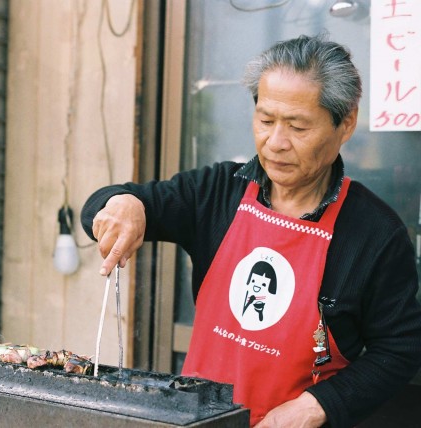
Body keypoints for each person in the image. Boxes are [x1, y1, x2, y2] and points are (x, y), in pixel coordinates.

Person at [81, 34, 421, 427]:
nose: (276, 143)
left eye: (297, 126)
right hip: (199, 419)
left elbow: (401, 346)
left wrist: (318, 405)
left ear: (345, 123)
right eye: (265, 120)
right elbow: (123, 202)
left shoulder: (373, 233)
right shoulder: (216, 191)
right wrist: (121, 205)